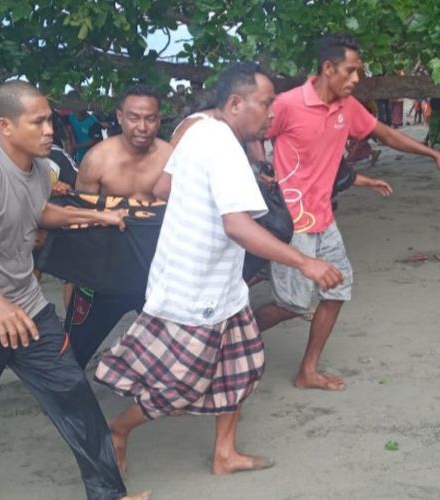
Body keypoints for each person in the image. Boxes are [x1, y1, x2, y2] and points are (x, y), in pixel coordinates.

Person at [95, 63, 343, 476]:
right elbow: (238, 225)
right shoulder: (226, 148)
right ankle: (118, 429)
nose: (270, 115)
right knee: (177, 388)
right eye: (265, 105)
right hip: (193, 290)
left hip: (222, 286)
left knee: (239, 368)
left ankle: (224, 454)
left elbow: (162, 188)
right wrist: (305, 262)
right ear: (234, 103)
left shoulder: (197, 128)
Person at [0, 80, 148, 500]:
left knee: (74, 395)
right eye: (39, 121)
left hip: (27, 310)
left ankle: (108, 494)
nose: (50, 129)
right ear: (5, 126)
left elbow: (38, 209)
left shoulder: (41, 169)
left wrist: (93, 217)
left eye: (51, 120)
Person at [252, 33, 440, 391]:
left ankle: (308, 371)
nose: (356, 80)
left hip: (325, 219)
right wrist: (260, 164)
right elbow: (252, 130)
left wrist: (433, 154)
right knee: (292, 304)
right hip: (292, 223)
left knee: (338, 290)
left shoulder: (347, 108)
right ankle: (230, 339)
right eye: (350, 71)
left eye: (358, 71)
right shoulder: (287, 104)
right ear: (327, 68)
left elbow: (385, 134)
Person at [62, 85, 173, 368]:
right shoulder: (97, 159)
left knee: (172, 344)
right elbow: (79, 218)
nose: (143, 126)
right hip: (104, 267)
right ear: (120, 117)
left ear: (159, 119)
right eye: (134, 117)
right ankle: (66, 400)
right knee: (74, 349)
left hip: (154, 267)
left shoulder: (171, 157)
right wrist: (74, 279)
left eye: (150, 118)